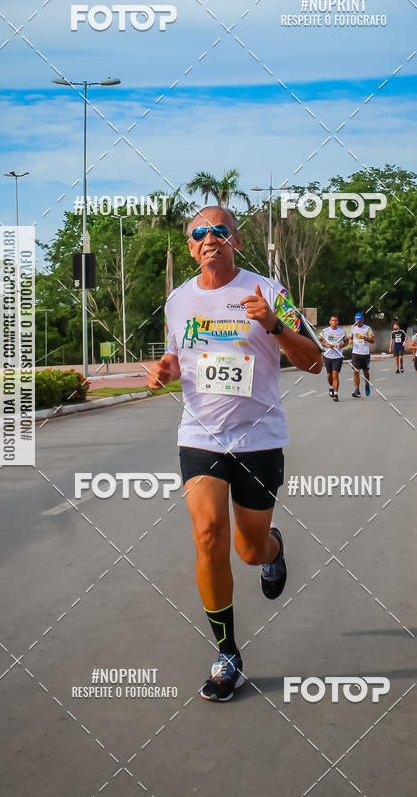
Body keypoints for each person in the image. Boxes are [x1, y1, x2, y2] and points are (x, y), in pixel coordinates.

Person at [147, 206, 322, 703]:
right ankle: (227, 655)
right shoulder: (178, 300)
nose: (209, 239)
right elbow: (177, 357)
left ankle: (272, 549)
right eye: (199, 233)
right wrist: (165, 368)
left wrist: (274, 325)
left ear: (235, 240)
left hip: (259, 438)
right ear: (190, 247)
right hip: (200, 437)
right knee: (207, 534)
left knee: (248, 549)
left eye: (219, 231)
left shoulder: (269, 291)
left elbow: (313, 363)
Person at [319, 315, 347, 401]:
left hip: (338, 356)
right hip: (327, 355)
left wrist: (343, 345)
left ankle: (336, 393)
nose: (334, 322)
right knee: (329, 375)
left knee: (335, 375)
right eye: (332, 320)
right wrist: (326, 345)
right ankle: (331, 387)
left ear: (338, 322)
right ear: (330, 322)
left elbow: (346, 341)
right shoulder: (325, 331)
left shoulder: (342, 331)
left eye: (335, 320)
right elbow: (319, 341)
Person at [350, 312, 374, 398]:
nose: (358, 323)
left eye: (359, 321)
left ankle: (367, 384)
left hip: (365, 353)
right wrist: (350, 341)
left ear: (362, 320)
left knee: (365, 371)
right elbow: (350, 338)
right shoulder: (353, 328)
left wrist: (364, 337)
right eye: (357, 321)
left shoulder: (368, 328)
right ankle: (357, 390)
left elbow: (372, 340)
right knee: (356, 371)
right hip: (355, 353)